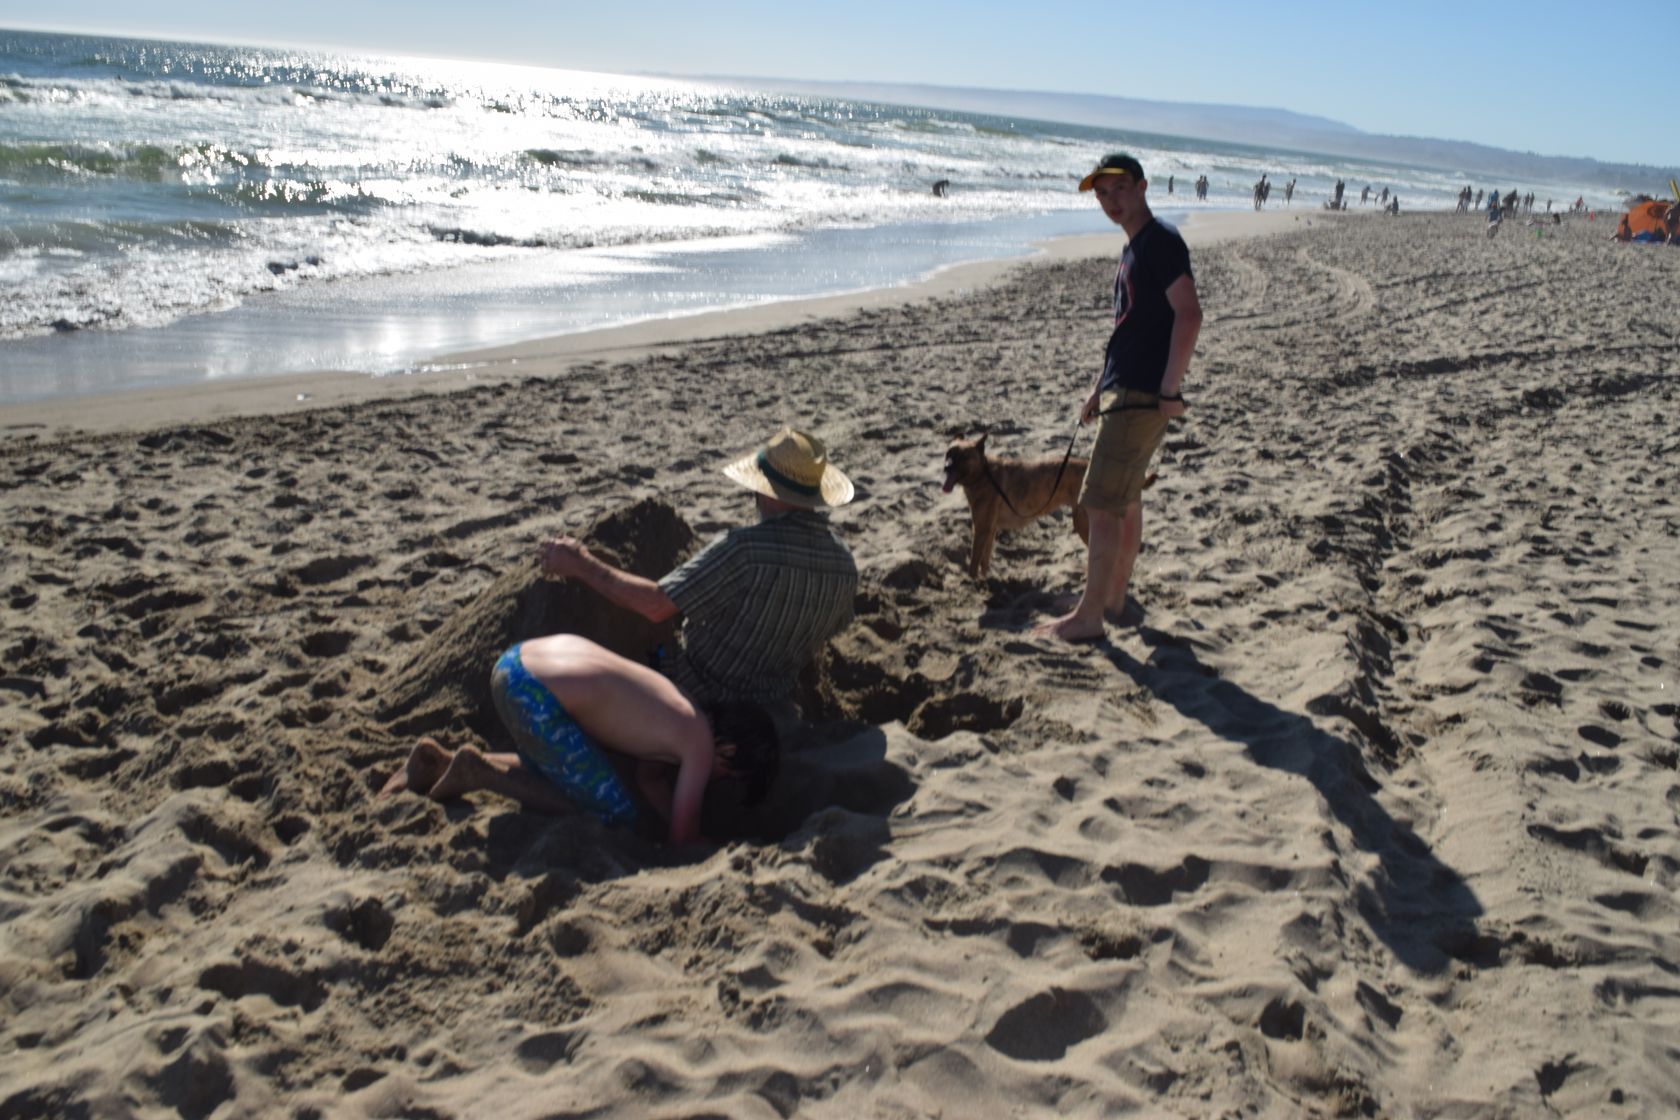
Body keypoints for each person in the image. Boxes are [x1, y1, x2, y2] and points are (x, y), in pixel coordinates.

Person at [382, 426, 860, 843]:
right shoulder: (843, 564)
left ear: (768, 493)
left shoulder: (745, 550)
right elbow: (825, 637)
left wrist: (582, 564)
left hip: (695, 686)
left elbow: (655, 604)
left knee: (607, 775)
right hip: (773, 704)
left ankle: (480, 768)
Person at [1036, 154, 1202, 643]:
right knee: (1126, 500)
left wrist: (1169, 388)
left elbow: (1189, 314)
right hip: (1124, 388)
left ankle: (1089, 617)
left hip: (1140, 394)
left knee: (1101, 505)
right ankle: (1111, 599)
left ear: (1143, 187)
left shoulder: (1160, 241)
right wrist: (1098, 387)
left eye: (1120, 189)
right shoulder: (1136, 246)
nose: (1111, 201)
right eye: (1102, 194)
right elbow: (1129, 328)